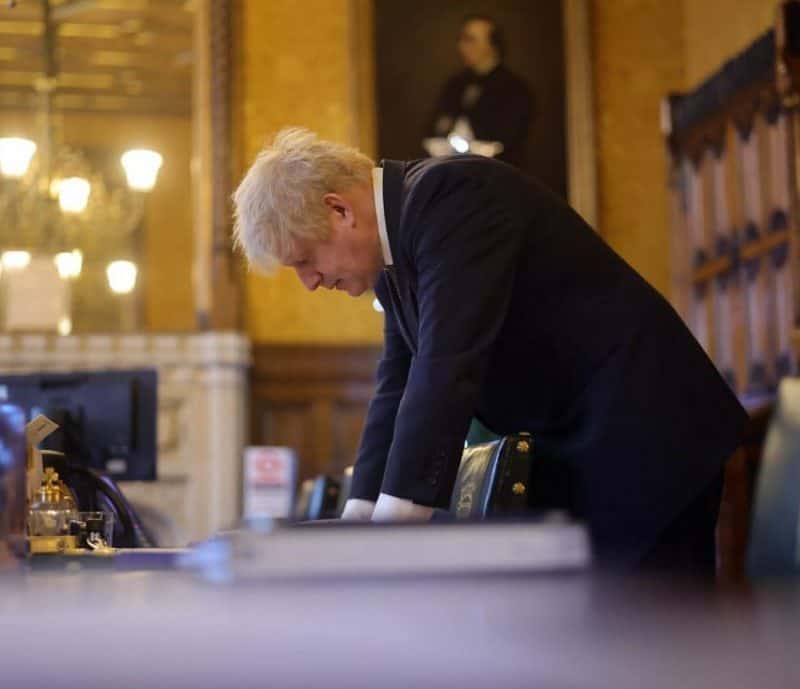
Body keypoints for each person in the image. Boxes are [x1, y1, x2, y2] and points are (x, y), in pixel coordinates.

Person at [232, 128, 748, 573]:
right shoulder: (394, 260)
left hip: (649, 437)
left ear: (339, 210)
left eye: (304, 260)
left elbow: (445, 368)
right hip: (594, 446)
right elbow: (397, 386)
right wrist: (359, 517)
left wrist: (388, 537)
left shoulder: (453, 196)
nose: (309, 282)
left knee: (659, 651)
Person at [425, 14, 534, 167]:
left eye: (470, 40)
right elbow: (436, 126)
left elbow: (508, 138)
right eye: (462, 40)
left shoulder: (514, 88)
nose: (463, 46)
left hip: (498, 174)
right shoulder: (455, 85)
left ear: (492, 44)